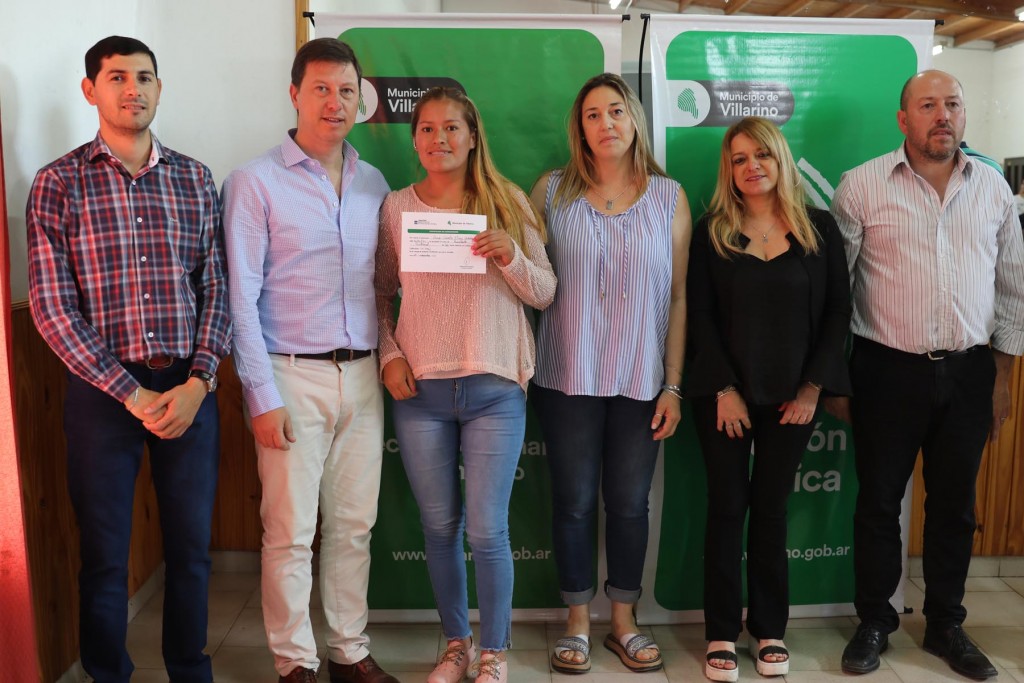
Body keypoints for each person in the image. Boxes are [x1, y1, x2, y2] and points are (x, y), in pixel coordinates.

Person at [26, 36, 229, 683]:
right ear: (90, 90)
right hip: (102, 394)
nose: (132, 89)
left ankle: (188, 669)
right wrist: (130, 393)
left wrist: (200, 381)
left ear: (159, 89)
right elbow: (52, 309)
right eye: (117, 77)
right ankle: (108, 673)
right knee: (105, 555)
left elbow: (216, 288)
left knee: (191, 551)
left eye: (144, 77)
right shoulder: (58, 183)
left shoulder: (195, 178)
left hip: (188, 387)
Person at [831, 69, 1024, 681]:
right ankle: (874, 621)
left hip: (969, 373)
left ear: (964, 115)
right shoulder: (862, 186)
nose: (943, 115)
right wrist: (835, 378)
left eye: (953, 104)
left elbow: (1012, 289)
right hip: (886, 371)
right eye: (928, 105)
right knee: (878, 504)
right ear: (903, 119)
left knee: (955, 508)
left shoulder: (994, 189)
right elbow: (835, 293)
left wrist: (1001, 379)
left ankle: (945, 625)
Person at [222, 38, 397, 683]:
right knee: (290, 532)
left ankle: (349, 650)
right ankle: (295, 661)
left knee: (354, 526)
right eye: (321, 88)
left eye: (346, 91)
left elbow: (383, 287)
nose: (335, 102)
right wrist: (261, 396)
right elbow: (240, 299)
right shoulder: (254, 182)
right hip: (289, 373)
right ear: (294, 93)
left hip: (364, 375)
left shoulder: (374, 183)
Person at [375, 86, 556, 683]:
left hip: (494, 390)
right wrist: (390, 354)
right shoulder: (397, 208)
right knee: (439, 528)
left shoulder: (506, 200)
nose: (439, 139)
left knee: (487, 530)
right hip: (421, 394)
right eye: (427, 128)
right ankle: (457, 645)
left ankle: (494, 651)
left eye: (451, 127)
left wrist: (511, 256)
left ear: (473, 135)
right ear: (414, 140)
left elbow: (545, 291)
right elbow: (378, 293)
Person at [529, 72, 691, 675]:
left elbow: (679, 297)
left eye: (617, 111)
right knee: (573, 503)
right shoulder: (550, 191)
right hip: (565, 376)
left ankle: (623, 621)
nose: (606, 124)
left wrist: (673, 384)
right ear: (580, 127)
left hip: (641, 382)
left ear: (635, 121)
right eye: (593, 114)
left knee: (628, 504)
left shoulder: (669, 197)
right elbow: (527, 280)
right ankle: (576, 621)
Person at [686, 117, 851, 681]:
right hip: (724, 399)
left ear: (780, 159)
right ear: (728, 170)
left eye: (761, 155)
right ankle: (720, 632)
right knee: (727, 508)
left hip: (794, 401)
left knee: (772, 511)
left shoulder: (819, 229)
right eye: (739, 158)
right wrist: (723, 390)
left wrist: (812, 389)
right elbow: (699, 316)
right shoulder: (713, 232)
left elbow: (838, 312)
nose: (751, 166)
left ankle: (770, 629)